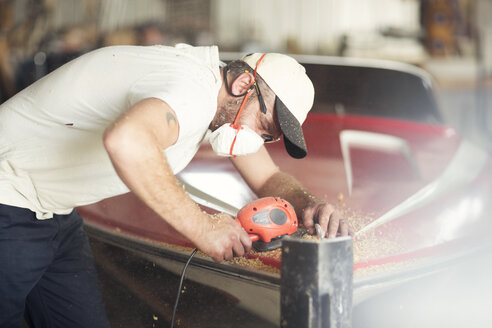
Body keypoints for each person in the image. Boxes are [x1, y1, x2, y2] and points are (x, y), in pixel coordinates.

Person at [0, 43, 353, 327]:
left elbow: (268, 177)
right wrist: (202, 227)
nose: (262, 138)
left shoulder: (221, 102)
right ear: (244, 85)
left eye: (271, 137)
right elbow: (127, 140)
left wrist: (310, 207)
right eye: (266, 125)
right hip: (9, 195)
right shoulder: (191, 91)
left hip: (51, 209)